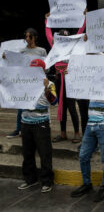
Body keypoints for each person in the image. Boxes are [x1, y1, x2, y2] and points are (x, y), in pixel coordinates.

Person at [70, 68, 104, 202]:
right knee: (83, 156)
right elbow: (76, 88)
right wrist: (70, 75)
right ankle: (87, 184)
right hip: (91, 124)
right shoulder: (89, 82)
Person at [45, 12, 89, 143]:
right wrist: (46, 22)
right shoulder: (55, 46)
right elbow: (48, 34)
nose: (63, 40)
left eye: (66, 38)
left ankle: (76, 132)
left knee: (71, 105)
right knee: (61, 106)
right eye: (61, 38)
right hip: (58, 79)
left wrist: (84, 18)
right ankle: (63, 133)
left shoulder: (73, 47)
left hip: (69, 79)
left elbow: (81, 30)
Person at [17, 59, 57, 193]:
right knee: (27, 153)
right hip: (25, 122)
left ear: (42, 70)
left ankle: (47, 181)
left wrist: (46, 89)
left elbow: (54, 101)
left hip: (41, 124)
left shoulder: (50, 84)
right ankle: (30, 179)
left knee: (45, 153)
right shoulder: (24, 83)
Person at [6, 28, 47, 139]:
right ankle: (19, 129)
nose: (27, 38)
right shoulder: (22, 51)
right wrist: (7, 57)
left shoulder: (41, 51)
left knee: (36, 105)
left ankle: (36, 127)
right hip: (25, 81)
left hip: (37, 82)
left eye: (29, 36)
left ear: (35, 37)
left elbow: (46, 67)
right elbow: (16, 62)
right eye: (26, 36)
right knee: (21, 106)